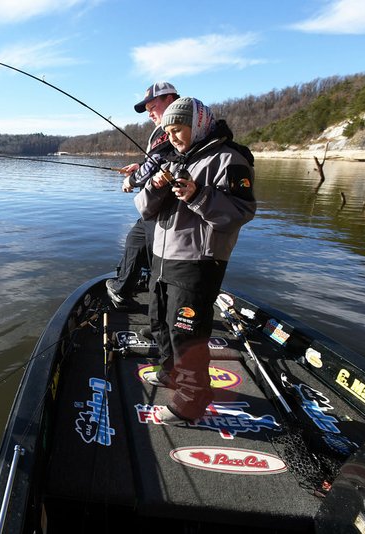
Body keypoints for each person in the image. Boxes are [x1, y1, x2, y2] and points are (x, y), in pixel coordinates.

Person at [134, 97, 256, 424]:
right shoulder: (174, 159)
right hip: (162, 258)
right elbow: (144, 209)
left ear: (198, 125)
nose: (172, 137)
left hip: (197, 262)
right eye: (168, 131)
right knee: (160, 321)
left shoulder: (229, 159)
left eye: (178, 130)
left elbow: (241, 212)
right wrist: (156, 186)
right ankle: (170, 373)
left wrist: (197, 195)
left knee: (187, 333)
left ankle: (190, 401)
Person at [106, 82, 180, 307]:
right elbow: (158, 161)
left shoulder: (177, 124)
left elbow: (159, 160)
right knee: (136, 240)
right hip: (157, 205)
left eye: (152, 106)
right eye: (147, 109)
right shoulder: (163, 128)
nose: (149, 113)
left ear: (169, 99)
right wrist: (140, 166)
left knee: (157, 258)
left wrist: (131, 180)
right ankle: (123, 288)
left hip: (169, 208)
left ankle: (161, 311)